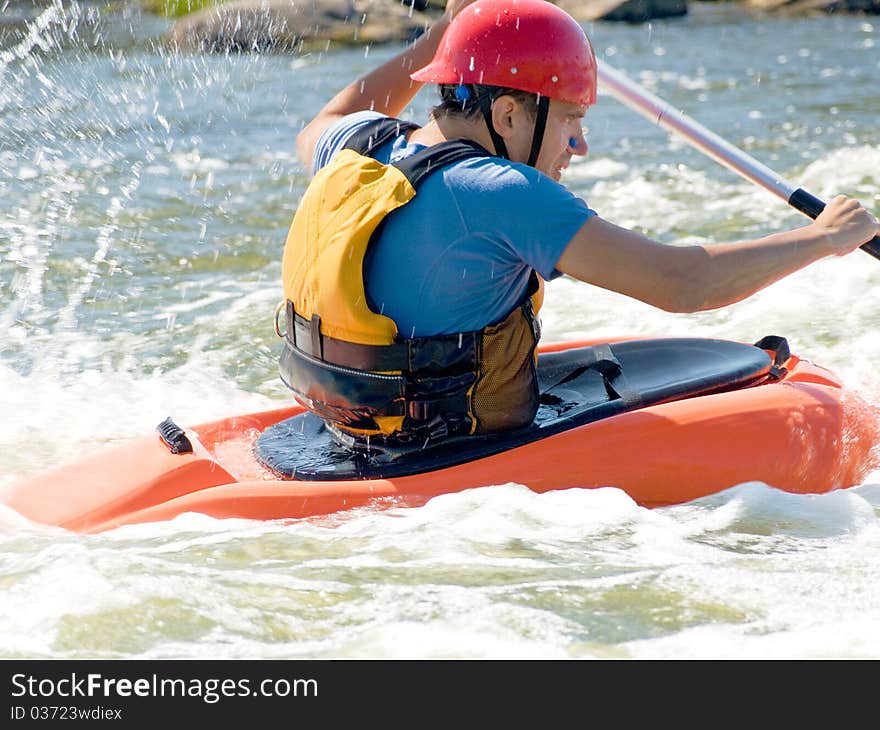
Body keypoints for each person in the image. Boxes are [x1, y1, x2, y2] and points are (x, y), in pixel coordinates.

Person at [277, 0, 879, 450]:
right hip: (451, 444)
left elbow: (329, 118)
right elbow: (683, 283)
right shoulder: (504, 192)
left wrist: (441, 39)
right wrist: (825, 236)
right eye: (569, 119)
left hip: (355, 419)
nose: (580, 144)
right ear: (508, 113)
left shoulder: (363, 148)